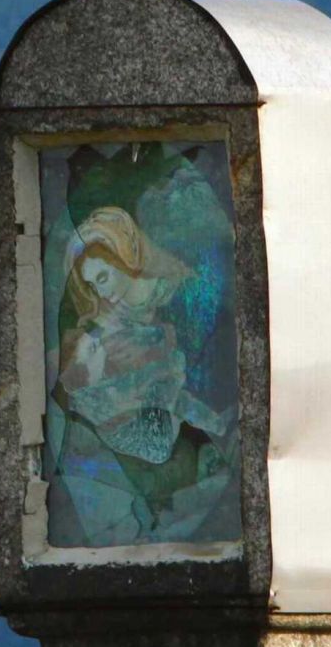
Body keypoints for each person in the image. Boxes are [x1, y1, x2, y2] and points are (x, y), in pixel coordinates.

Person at [48, 206, 234, 547]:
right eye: (91, 285)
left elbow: (209, 366)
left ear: (126, 256)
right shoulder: (104, 317)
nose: (100, 293)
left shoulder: (182, 296)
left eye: (103, 278)